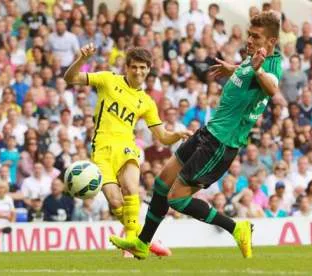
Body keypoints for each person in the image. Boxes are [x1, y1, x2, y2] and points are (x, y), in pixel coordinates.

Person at [110, 12, 282, 259]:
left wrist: (257, 70)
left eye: (256, 37)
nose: (250, 40)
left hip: (221, 142)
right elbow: (250, 72)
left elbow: (272, 87)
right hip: (208, 131)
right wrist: (233, 68)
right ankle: (142, 243)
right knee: (161, 184)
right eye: (249, 35)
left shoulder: (271, 64)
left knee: (176, 200)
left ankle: (236, 228)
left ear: (272, 41)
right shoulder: (255, 57)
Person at [64, 45, 190, 256]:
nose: (138, 72)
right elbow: (70, 78)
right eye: (134, 67)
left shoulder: (147, 102)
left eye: (143, 68)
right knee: (115, 202)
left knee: (131, 188)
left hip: (126, 148)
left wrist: (177, 135)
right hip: (101, 151)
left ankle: (132, 243)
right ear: (127, 67)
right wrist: (81, 59)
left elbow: (162, 136)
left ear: (149, 69)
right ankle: (145, 239)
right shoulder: (107, 80)